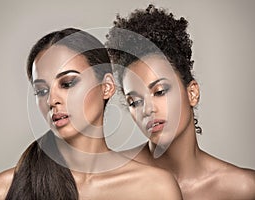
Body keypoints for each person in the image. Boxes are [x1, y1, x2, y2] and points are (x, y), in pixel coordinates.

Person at [0, 28, 182, 200]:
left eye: (67, 84)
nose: (52, 100)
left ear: (107, 86)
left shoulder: (156, 189)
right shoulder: (1, 190)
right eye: (42, 91)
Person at [106, 4, 255, 200]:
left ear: (192, 93)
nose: (148, 109)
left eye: (160, 91)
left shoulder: (243, 188)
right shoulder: (113, 176)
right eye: (134, 101)